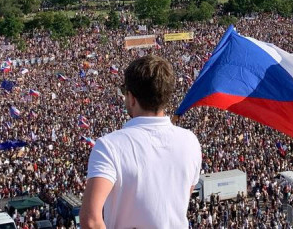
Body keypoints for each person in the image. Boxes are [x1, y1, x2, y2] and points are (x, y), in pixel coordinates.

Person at [80, 55, 202, 229]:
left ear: (132, 98)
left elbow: (91, 220)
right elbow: (180, 199)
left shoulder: (109, 146)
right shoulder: (191, 142)